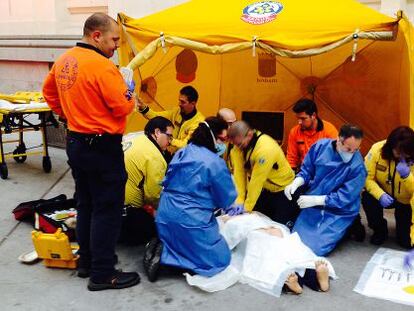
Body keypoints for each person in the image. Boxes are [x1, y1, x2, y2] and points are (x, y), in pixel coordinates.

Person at [42, 13, 140, 291]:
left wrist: (67, 115)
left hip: (77, 143)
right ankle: (103, 272)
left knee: (85, 203)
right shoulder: (102, 67)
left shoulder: (64, 60)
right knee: (106, 209)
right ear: (96, 36)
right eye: (114, 40)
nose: (116, 47)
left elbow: (48, 93)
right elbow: (123, 107)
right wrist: (128, 91)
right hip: (102, 147)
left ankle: (87, 260)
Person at [144, 117, 239, 282]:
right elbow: (226, 197)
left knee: (179, 240)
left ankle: (165, 253)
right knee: (221, 258)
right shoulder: (214, 162)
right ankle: (175, 260)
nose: (224, 144)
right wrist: (232, 207)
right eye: (222, 139)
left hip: (165, 217)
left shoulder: (182, 152)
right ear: (212, 136)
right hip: (191, 221)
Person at [285, 124, 367, 256]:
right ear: (339, 140)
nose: (351, 153)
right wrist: (297, 181)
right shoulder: (320, 147)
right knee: (294, 241)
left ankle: (350, 227)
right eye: (348, 148)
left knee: (313, 250)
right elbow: (307, 170)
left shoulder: (357, 167)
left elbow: (346, 197)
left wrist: (318, 200)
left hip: (339, 210)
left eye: (355, 150)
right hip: (313, 203)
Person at [227, 121, 297, 228]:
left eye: (241, 144)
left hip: (283, 190)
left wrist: (247, 207)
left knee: (278, 227)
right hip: (264, 190)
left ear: (249, 134)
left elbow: (256, 181)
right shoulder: (237, 147)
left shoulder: (265, 149)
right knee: (258, 224)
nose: (239, 147)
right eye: (236, 145)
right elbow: (239, 174)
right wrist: (240, 200)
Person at [120, 117, 174, 245]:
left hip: (107, 198)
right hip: (126, 212)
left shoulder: (136, 138)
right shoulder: (155, 157)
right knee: (165, 229)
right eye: (169, 137)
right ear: (157, 132)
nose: (170, 142)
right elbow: (153, 196)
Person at [362, 126, 414, 248]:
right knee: (367, 197)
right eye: (397, 151)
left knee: (406, 243)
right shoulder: (377, 149)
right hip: (384, 193)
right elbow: (366, 178)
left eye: (404, 153)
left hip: (406, 201)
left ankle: (403, 227)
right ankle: (380, 230)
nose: (400, 155)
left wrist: (407, 176)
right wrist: (380, 195)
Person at [136, 85, 205, 154]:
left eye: (183, 102)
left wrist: (168, 138)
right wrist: (143, 108)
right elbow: (156, 117)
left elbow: (186, 145)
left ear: (193, 104)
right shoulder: (177, 111)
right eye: (179, 101)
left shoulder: (199, 123)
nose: (179, 104)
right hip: (168, 153)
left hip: (183, 158)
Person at [287, 98, 338, 172]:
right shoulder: (294, 132)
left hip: (325, 172)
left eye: (303, 118)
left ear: (313, 115)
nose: (299, 122)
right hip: (304, 173)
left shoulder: (329, 130)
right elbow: (291, 159)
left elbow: (337, 158)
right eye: (298, 118)